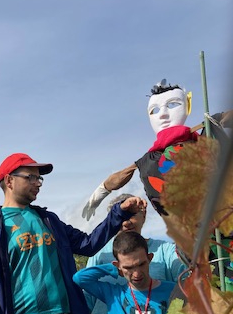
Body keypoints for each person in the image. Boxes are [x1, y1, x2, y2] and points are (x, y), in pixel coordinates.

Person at [0, 152, 147, 314]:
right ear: (9, 180)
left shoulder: (49, 220)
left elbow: (88, 244)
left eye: (40, 179)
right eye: (31, 177)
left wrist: (118, 213)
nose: (38, 183)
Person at [82, 79, 233, 218]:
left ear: (188, 104)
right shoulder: (150, 160)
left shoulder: (207, 135)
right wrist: (98, 194)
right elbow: (122, 175)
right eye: (155, 110)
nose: (163, 115)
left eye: (172, 104)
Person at [84, 192, 186, 314]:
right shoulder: (100, 253)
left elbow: (185, 285)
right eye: (121, 217)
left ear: (143, 215)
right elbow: (86, 299)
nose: (126, 223)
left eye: (132, 215)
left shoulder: (165, 249)